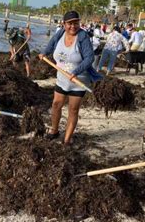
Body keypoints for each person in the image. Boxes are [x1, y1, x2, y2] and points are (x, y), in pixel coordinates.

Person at [38, 10, 101, 145]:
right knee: (56, 105)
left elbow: (89, 58)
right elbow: (52, 43)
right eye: (70, 23)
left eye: (76, 23)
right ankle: (54, 131)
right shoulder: (60, 33)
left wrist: (76, 72)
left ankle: (67, 139)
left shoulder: (83, 37)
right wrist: (44, 53)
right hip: (61, 79)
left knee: (73, 109)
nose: (73, 26)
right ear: (64, 24)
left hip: (78, 81)